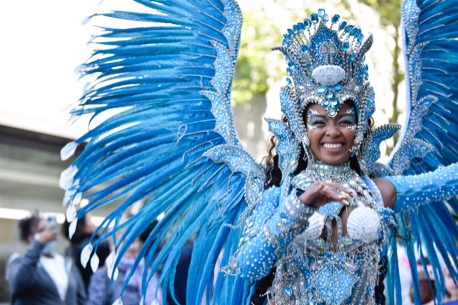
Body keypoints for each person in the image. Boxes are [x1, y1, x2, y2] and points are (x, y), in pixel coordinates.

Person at [60, 0, 458, 304]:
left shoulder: (379, 191)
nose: (333, 131)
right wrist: (300, 207)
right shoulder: (275, 195)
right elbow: (249, 266)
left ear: (361, 124)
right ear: (301, 129)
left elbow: (445, 180)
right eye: (319, 121)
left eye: (345, 119)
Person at [6, 211, 86, 305]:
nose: (47, 234)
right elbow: (19, 283)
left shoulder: (67, 263)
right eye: (41, 231)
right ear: (30, 237)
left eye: (49, 229)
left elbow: (81, 299)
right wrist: (37, 245)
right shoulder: (19, 261)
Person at [86, 235, 162, 305]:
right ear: (112, 245)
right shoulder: (103, 275)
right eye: (126, 242)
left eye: (134, 241)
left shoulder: (148, 272)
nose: (131, 247)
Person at [61, 213, 111, 290]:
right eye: (89, 220)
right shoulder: (89, 246)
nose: (93, 223)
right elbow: (111, 243)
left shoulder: (70, 248)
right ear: (80, 225)